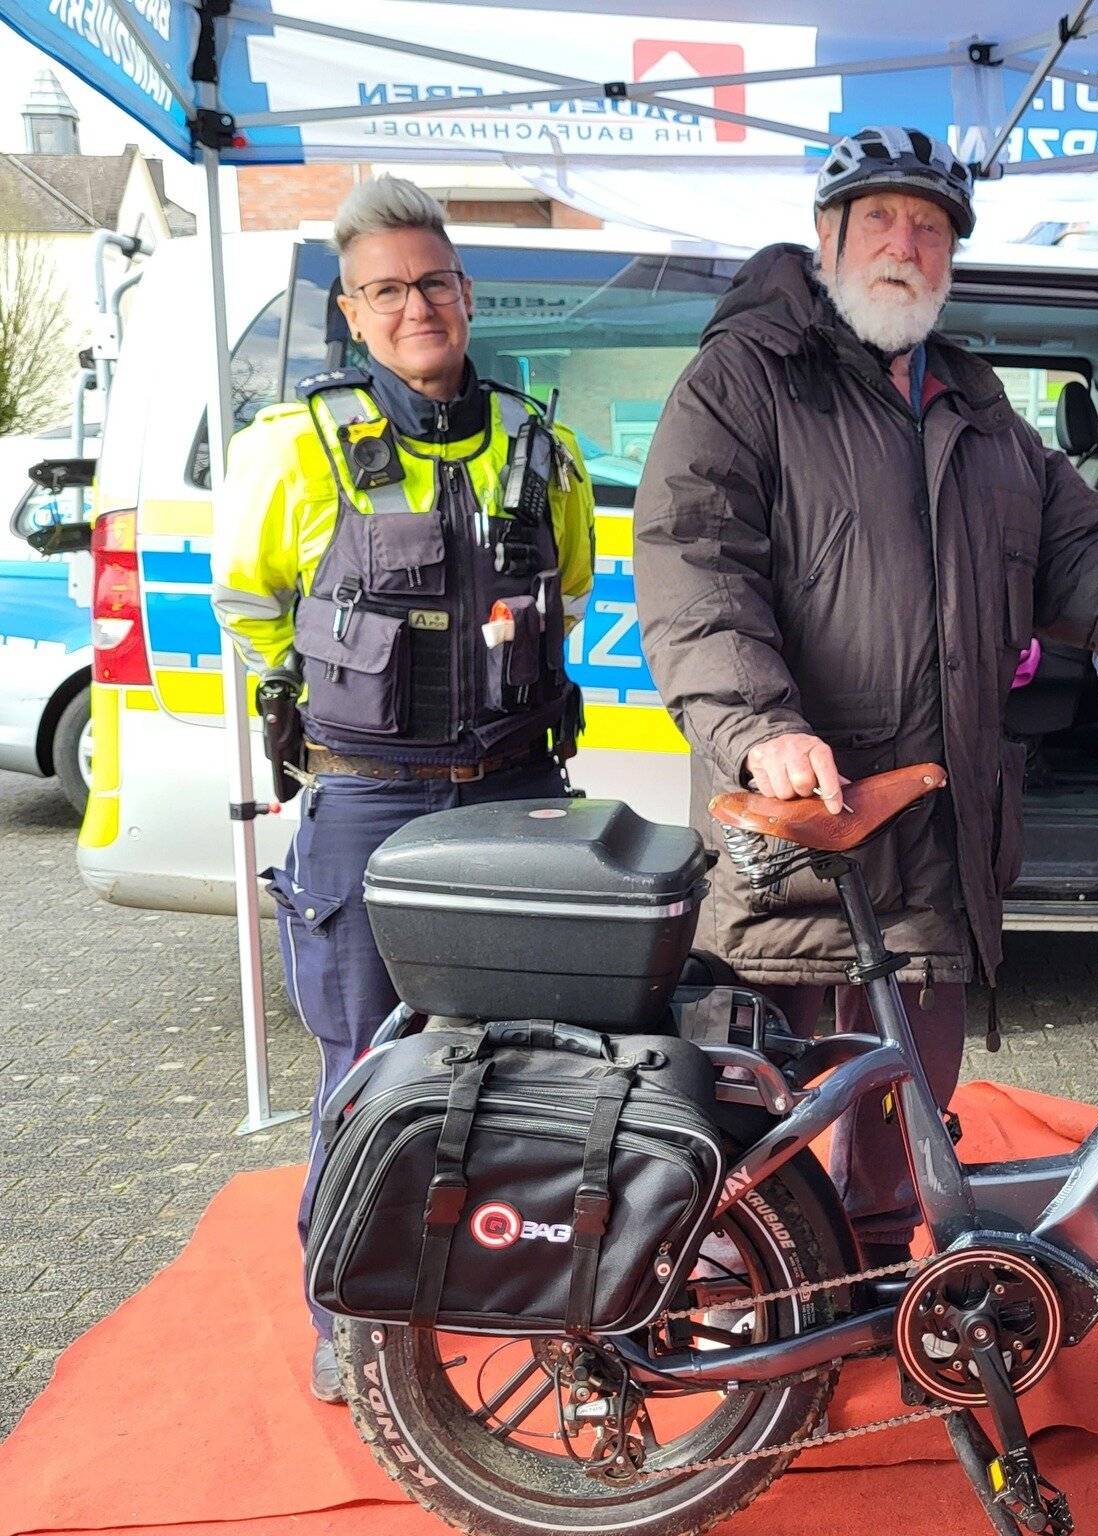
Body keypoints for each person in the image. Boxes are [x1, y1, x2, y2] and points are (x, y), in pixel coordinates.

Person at [632, 126, 1098, 1270]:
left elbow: (1086, 564)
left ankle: (854, 1305)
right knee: (767, 1116)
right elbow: (693, 573)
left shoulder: (973, 404)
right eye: (881, 222)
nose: (906, 245)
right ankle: (739, 1321)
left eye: (930, 227)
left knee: (902, 1118)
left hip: (940, 835)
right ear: (827, 239)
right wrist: (761, 729)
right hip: (808, 832)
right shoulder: (747, 379)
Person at [211, 175, 594, 1403]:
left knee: (522, 1060)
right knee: (361, 1065)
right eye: (387, 290)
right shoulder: (294, 446)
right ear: (356, 314)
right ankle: (347, 1309)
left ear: (467, 295)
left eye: (433, 281)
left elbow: (568, 595)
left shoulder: (542, 444)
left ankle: (491, 1280)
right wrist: (329, 698)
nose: (416, 305)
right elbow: (251, 601)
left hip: (515, 794)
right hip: (367, 800)